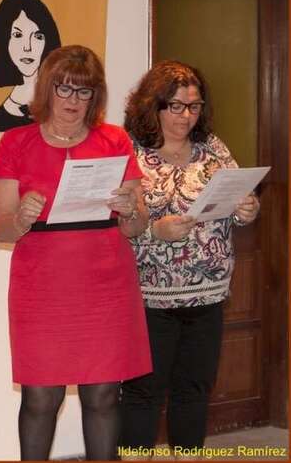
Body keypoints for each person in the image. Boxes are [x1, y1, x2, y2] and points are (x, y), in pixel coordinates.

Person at [0, 45, 152, 460]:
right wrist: (20, 218)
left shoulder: (114, 139)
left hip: (106, 284)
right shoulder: (16, 141)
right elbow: (1, 226)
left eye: (84, 91)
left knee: (103, 396)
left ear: (96, 96)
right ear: (47, 88)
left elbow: (137, 226)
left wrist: (131, 210)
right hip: (42, 287)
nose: (73, 100)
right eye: (64, 88)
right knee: (41, 399)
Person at [119, 61, 260, 454]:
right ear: (153, 105)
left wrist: (247, 210)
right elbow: (113, 225)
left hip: (208, 294)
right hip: (151, 298)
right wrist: (155, 231)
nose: (186, 116)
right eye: (176, 106)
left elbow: (235, 201)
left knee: (194, 391)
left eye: (194, 106)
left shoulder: (212, 147)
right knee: (143, 393)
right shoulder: (130, 151)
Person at [0, 0, 61, 132]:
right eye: (18, 35)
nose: (27, 47)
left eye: (37, 36)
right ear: (4, 39)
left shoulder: (66, 106)